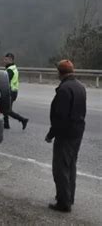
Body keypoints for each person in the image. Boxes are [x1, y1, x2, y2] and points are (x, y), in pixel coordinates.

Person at [45, 60, 86, 213]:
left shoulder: (64, 90)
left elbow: (60, 117)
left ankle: (63, 202)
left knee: (61, 168)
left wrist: (51, 134)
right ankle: (69, 197)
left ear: (60, 72)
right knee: (71, 165)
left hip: (65, 134)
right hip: (77, 131)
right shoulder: (80, 87)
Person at [3, 53, 29, 130]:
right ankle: (6, 124)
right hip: (14, 91)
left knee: (8, 110)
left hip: (11, 92)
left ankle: (23, 120)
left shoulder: (10, 70)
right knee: (5, 108)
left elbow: (5, 81)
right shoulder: (13, 67)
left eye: (6, 59)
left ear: (11, 59)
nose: (4, 61)